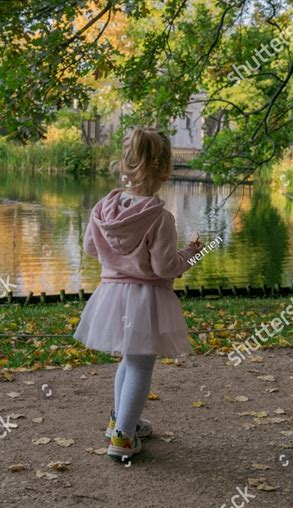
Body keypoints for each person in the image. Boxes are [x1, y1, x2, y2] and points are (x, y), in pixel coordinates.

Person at [74, 127, 202, 461]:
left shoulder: (103, 207)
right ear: (165, 169)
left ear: (125, 163)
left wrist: (116, 260)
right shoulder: (160, 218)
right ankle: (122, 440)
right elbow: (165, 268)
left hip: (112, 296)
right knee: (141, 367)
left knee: (128, 361)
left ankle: (120, 422)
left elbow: (90, 247)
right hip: (145, 300)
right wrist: (192, 253)